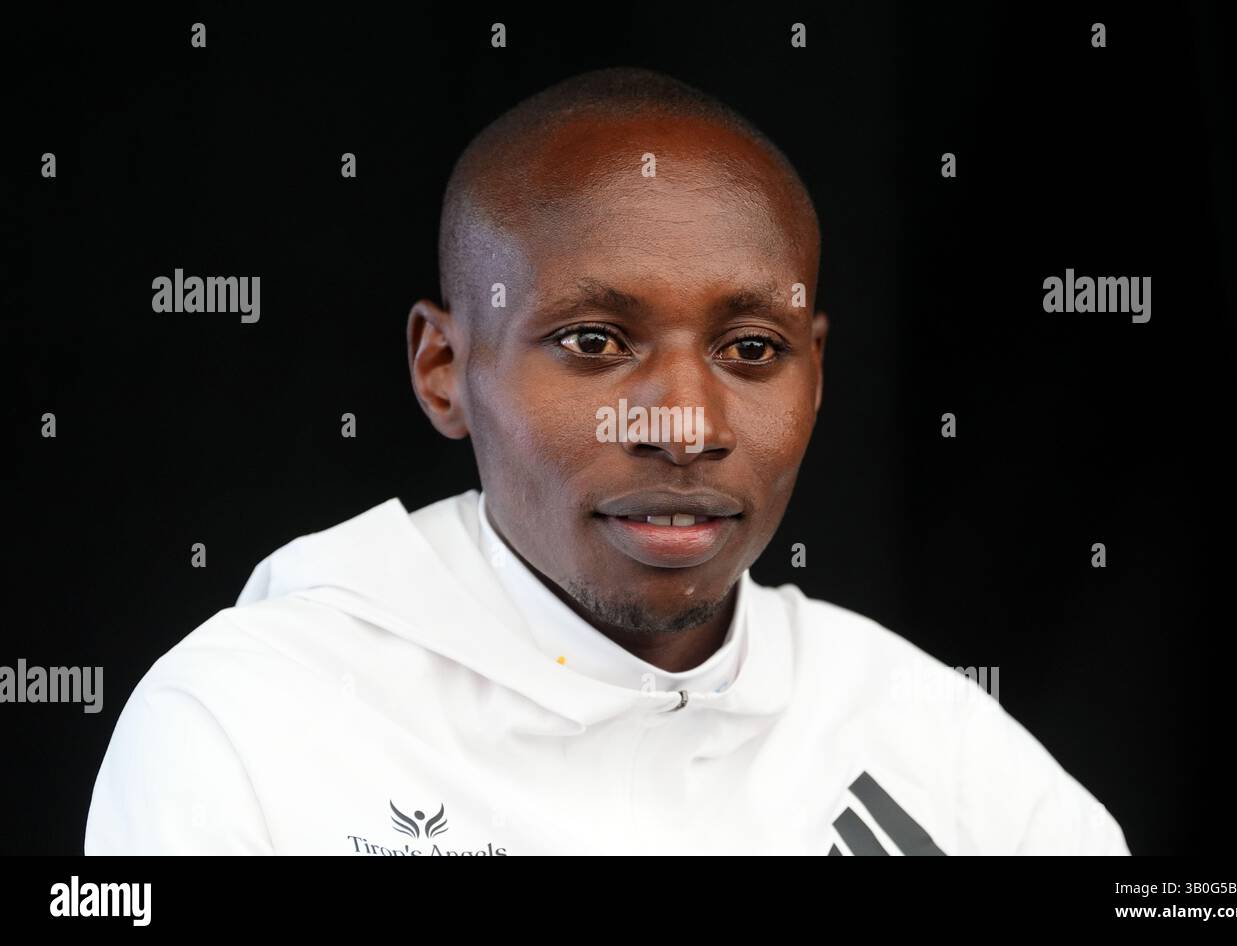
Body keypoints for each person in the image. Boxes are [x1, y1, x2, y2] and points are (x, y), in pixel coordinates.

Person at [84, 66, 1129, 855]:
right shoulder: (251, 721)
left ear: (813, 373)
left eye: (749, 349)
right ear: (444, 367)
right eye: (593, 341)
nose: (681, 423)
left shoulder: (933, 743)